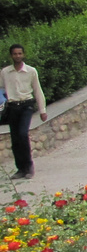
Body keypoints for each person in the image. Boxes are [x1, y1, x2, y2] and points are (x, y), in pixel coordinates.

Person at [2, 44, 47, 180]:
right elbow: (0, 89)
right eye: (15, 54)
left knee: (22, 134)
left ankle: (28, 166)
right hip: (12, 107)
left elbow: (37, 90)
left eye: (20, 53)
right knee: (15, 138)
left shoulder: (31, 71)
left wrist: (42, 110)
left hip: (26, 105)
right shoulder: (5, 72)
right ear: (11, 56)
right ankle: (20, 168)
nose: (17, 56)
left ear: (23, 54)